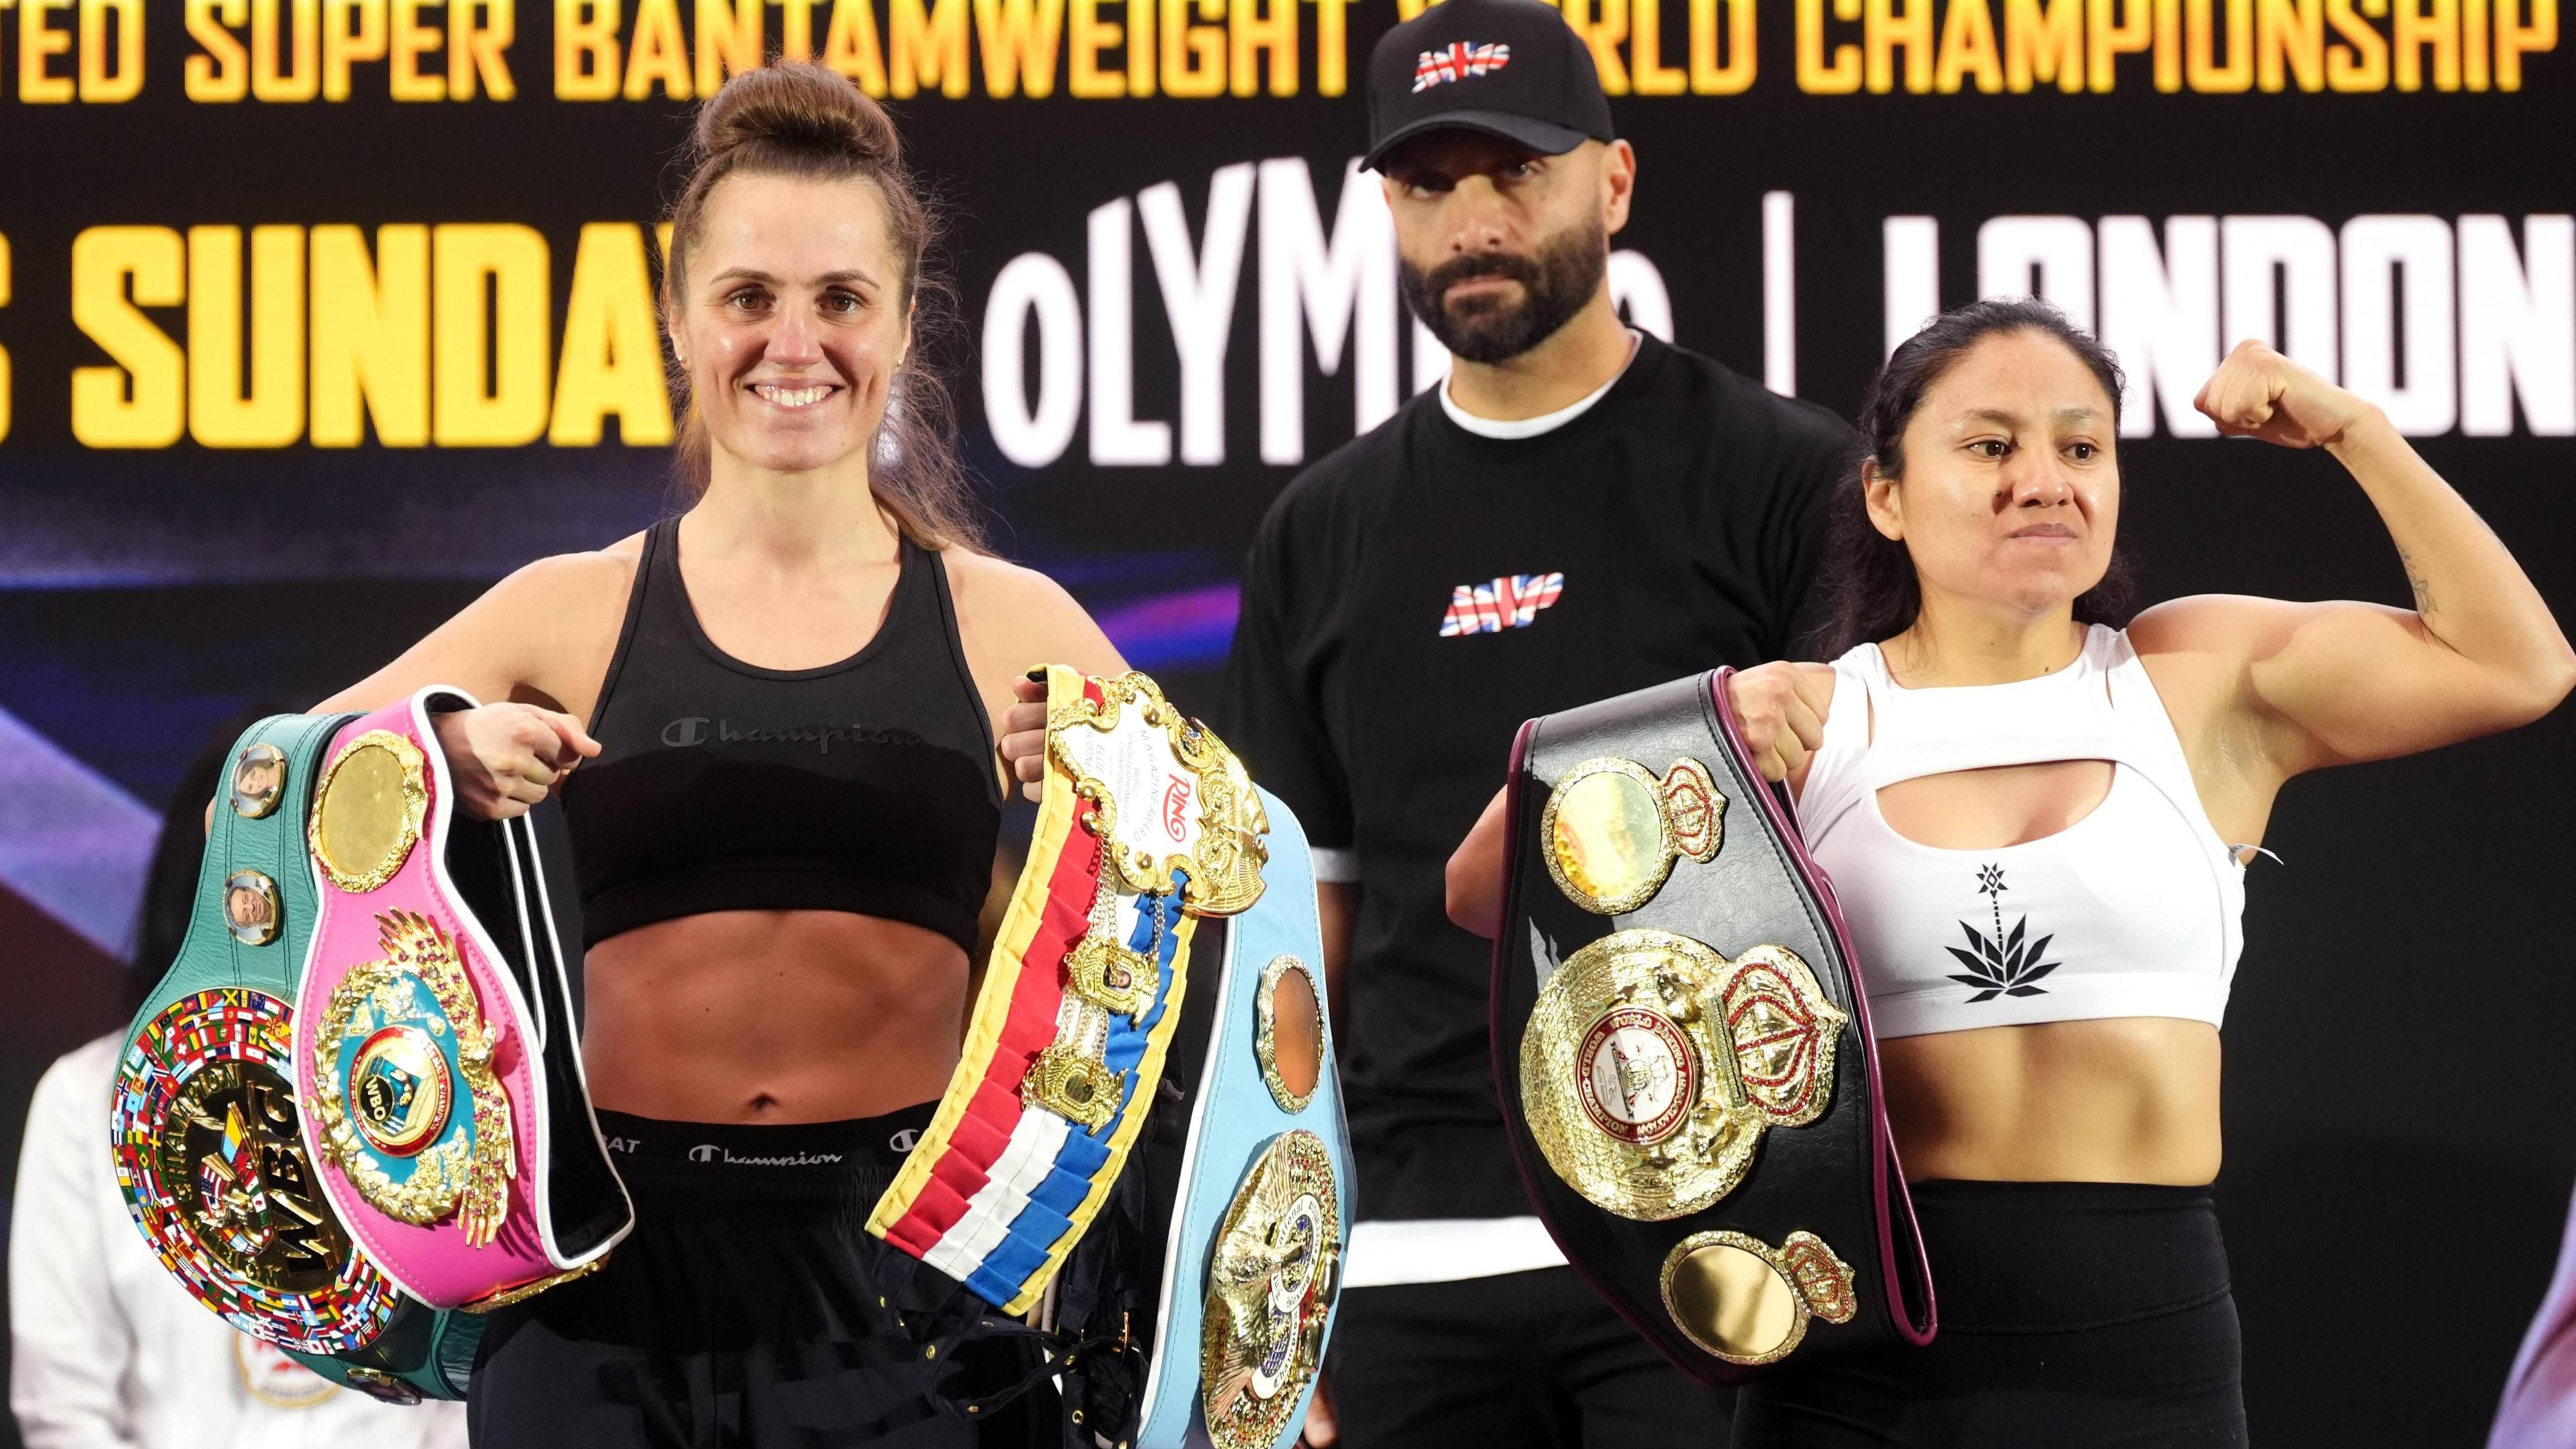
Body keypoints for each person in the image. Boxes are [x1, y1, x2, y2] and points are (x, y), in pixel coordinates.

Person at [1449, 299, 2575, 1444]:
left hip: (2147, 1348)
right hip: (1860, 1360)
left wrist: (2355, 433)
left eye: (2081, 447)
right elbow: (1484, 892)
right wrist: (1687, 733)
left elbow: (2517, 666)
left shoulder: (2194, 683)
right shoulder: (1803, 720)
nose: (2045, 479)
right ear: (1884, 496)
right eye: (1991, 445)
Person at [1010, 0, 1849, 1441]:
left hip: (1709, 1237)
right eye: (1426, 184)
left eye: (1515, 171)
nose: (1471, 219)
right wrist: (1278, 1270)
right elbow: (1299, 947)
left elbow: (1864, 865)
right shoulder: (1322, 530)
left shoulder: (1784, 475)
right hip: (1409, 1260)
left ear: (1617, 180)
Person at [306, 60, 1123, 1447]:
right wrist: (435, 750)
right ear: (680, 320)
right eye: (748, 297)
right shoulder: (570, 604)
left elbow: (1230, 878)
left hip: (914, 1285)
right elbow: (277, 783)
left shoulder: (1011, 621)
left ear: (903, 325)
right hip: (606, 1287)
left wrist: (1125, 786)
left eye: (839, 300)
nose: (791, 342)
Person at [11, 717, 468, 1449]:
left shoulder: (429, 1092)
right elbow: (65, 1402)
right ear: (192, 888)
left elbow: (463, 1383)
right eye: (250, 877)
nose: (274, 911)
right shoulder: (87, 1097)